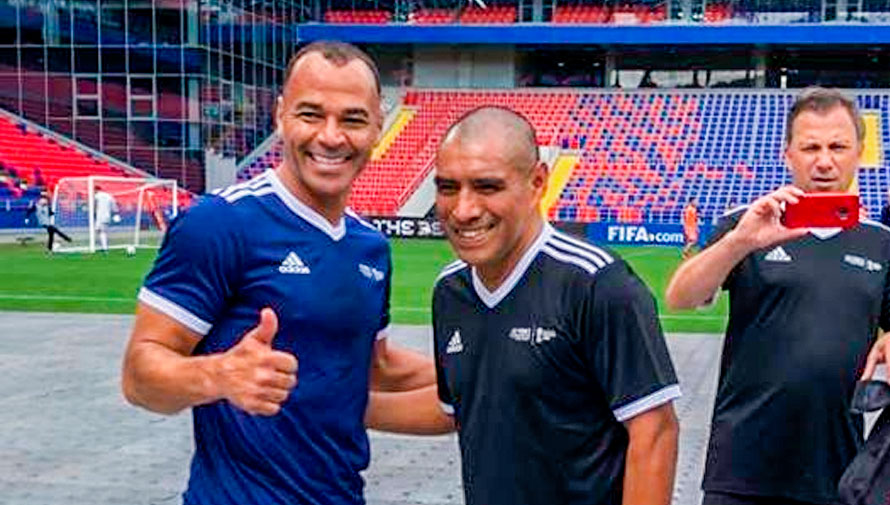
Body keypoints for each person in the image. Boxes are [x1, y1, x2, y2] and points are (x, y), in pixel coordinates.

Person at [121, 41, 436, 505]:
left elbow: (375, 367)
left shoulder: (370, 247)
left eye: (352, 119)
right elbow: (138, 377)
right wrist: (218, 374)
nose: (331, 136)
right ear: (281, 116)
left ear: (377, 127)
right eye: (311, 114)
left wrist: (486, 373)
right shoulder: (219, 223)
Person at [366, 106, 681, 505]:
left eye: (487, 187)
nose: (463, 209)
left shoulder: (596, 284)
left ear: (537, 183)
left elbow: (654, 430)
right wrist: (339, 404)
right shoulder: (450, 290)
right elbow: (461, 406)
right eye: (447, 188)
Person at [666, 86, 890, 505]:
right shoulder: (748, 223)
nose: (824, 161)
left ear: (859, 152)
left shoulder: (881, 243)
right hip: (741, 470)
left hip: (837, 469)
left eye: (838, 146)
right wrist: (740, 242)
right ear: (788, 154)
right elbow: (681, 297)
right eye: (810, 147)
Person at [93, 185, 119, 252]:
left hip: (100, 216)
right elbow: (114, 206)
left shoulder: (97, 196)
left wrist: (93, 212)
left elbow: (95, 205)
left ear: (96, 190)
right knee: (101, 231)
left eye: (94, 191)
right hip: (107, 216)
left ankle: (104, 248)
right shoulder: (108, 195)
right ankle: (103, 246)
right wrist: (116, 213)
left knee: (101, 231)